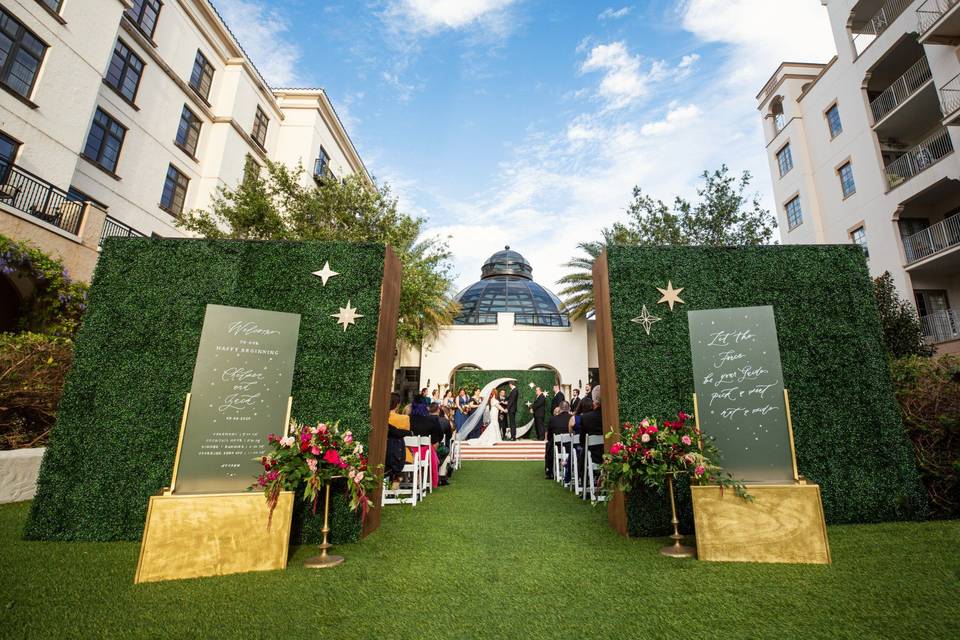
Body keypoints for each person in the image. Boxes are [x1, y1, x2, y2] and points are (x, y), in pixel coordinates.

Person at [386, 392, 412, 489]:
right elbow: (408, 437)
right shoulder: (404, 418)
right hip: (402, 452)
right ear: (397, 405)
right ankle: (397, 480)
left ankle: (394, 481)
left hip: (386, 452)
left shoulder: (383, 418)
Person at [545, 401, 571, 480]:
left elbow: (549, 435)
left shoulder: (553, 419)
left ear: (560, 408)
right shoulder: (572, 418)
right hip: (571, 447)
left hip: (557, 448)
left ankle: (549, 472)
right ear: (568, 408)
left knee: (548, 444)